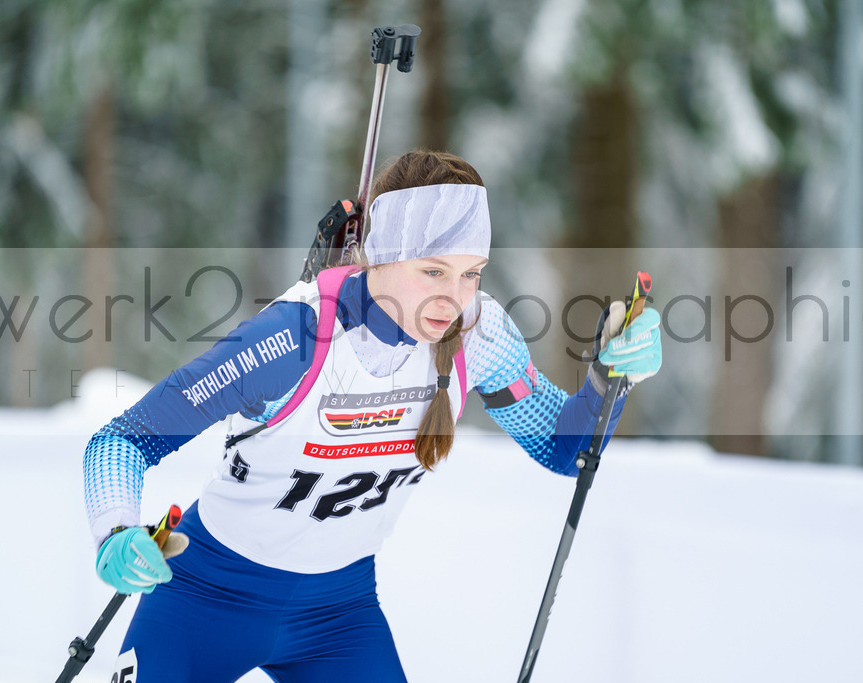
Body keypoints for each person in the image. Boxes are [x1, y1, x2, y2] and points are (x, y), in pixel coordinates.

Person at [84, 149, 662, 682]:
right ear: (380, 256)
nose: (454, 298)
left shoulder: (480, 336)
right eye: (432, 271)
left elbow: (565, 449)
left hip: (339, 618)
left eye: (471, 273)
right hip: (206, 598)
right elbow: (125, 439)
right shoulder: (296, 337)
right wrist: (116, 530)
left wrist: (610, 380)